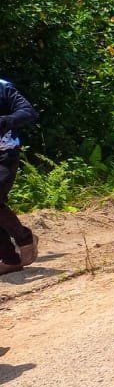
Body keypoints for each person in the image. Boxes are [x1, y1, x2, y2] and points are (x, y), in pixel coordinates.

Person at [0, 79, 40, 276]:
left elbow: (28, 111)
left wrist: (7, 120)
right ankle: (9, 259)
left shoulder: (3, 87)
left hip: (4, 154)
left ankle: (24, 238)